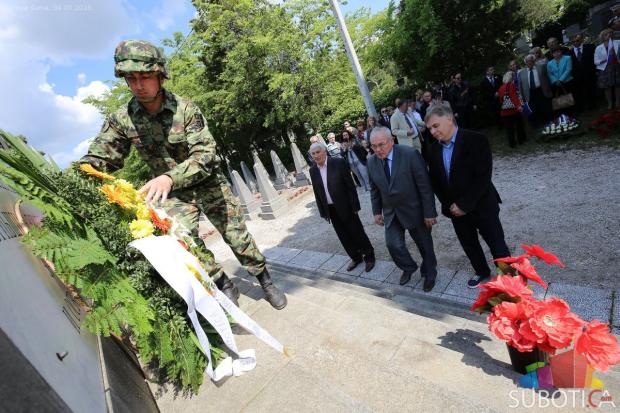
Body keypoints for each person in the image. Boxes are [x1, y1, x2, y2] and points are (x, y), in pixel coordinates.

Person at [80, 39, 287, 309]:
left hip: (208, 183)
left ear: (159, 74)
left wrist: (168, 177)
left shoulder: (186, 109)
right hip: (175, 196)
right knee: (184, 243)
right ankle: (223, 282)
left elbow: (206, 156)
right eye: (131, 78)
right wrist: (81, 176)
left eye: (145, 77)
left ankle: (264, 279)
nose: (138, 85)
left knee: (237, 236)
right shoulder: (122, 120)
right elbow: (102, 158)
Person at [425, 103, 510, 289]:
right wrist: (450, 205)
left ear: (449, 118)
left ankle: (509, 278)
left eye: (435, 125)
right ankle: (481, 271)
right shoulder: (432, 150)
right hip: (455, 209)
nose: (432, 131)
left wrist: (464, 204)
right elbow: (436, 182)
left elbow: (483, 177)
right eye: (430, 128)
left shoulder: (476, 140)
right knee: (469, 244)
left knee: (496, 242)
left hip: (481, 204)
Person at [367, 127, 438, 292]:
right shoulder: (371, 161)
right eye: (373, 146)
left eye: (381, 145)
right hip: (391, 212)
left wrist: (429, 212)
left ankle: (429, 273)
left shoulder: (410, 155)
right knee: (393, 244)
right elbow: (374, 189)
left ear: (391, 140)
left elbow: (425, 186)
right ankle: (409, 267)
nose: (378, 149)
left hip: (414, 210)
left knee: (424, 245)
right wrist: (376, 211)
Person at [309, 142, 375, 273]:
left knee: (357, 231)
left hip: (346, 205)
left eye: (318, 152)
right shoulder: (313, 170)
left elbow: (350, 186)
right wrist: (323, 211)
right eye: (313, 153)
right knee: (343, 235)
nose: (316, 155)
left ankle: (369, 256)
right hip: (331, 209)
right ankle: (356, 257)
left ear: (324, 151)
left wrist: (355, 205)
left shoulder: (338, 163)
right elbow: (317, 192)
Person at [518, 54, 553, 126]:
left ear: (534, 61)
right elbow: (520, 85)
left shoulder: (541, 67)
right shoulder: (521, 72)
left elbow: (548, 77)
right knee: (534, 109)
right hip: (530, 93)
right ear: (525, 62)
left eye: (531, 61)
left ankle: (550, 123)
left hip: (541, 90)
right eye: (527, 61)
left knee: (545, 107)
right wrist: (522, 97)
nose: (529, 63)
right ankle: (539, 126)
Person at [498, 71, 526, 147]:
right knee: (519, 126)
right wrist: (519, 106)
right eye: (513, 77)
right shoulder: (511, 85)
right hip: (513, 111)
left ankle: (512, 144)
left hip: (505, 111)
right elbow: (514, 96)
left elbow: (501, 100)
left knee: (509, 129)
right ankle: (521, 140)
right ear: (511, 78)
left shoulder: (500, 88)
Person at [570, 33, 597, 111]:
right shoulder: (569, 52)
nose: (575, 42)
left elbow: (593, 60)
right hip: (577, 77)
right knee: (580, 92)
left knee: (591, 90)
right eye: (573, 41)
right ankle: (582, 107)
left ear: (581, 40)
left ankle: (593, 105)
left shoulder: (590, 47)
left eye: (577, 40)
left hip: (589, 74)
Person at [595, 28, 620, 110]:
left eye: (610, 33)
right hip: (605, 68)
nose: (609, 35)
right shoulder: (599, 48)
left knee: (617, 85)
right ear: (602, 37)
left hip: (616, 66)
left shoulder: (618, 43)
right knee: (607, 87)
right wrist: (604, 60)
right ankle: (609, 103)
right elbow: (596, 61)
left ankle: (617, 102)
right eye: (606, 34)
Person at [547, 48, 574, 116]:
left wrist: (561, 80)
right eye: (554, 53)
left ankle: (571, 113)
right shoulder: (549, 63)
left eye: (558, 51)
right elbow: (550, 74)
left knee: (569, 97)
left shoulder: (568, 58)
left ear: (561, 51)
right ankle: (562, 114)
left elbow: (568, 69)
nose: (556, 54)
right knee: (559, 99)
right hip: (555, 84)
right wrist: (555, 81)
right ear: (552, 54)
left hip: (567, 81)